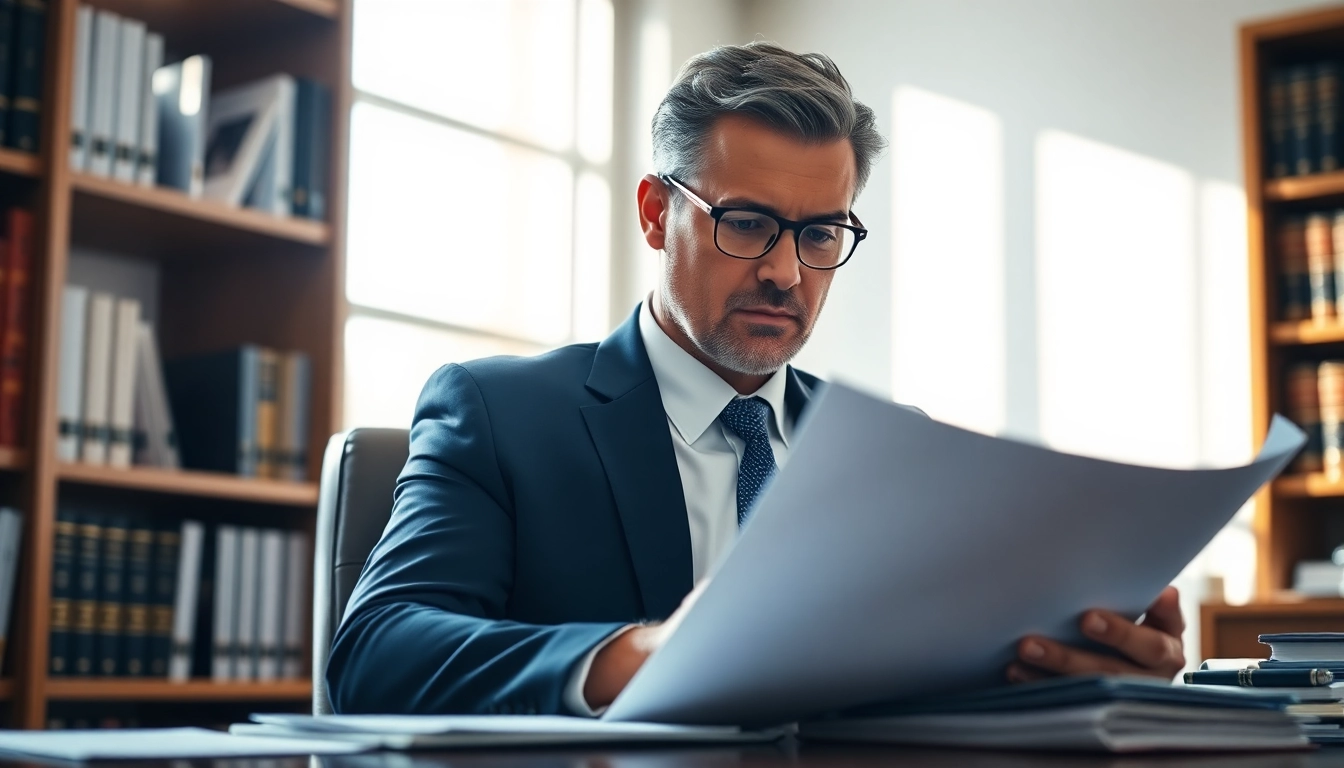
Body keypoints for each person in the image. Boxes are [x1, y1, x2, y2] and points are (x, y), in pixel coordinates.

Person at [325, 42, 1186, 717]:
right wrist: (636, 658)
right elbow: (376, 650)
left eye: (820, 235)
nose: (786, 272)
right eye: (747, 223)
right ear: (658, 215)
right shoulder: (500, 413)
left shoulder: (898, 452)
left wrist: (1071, 675)